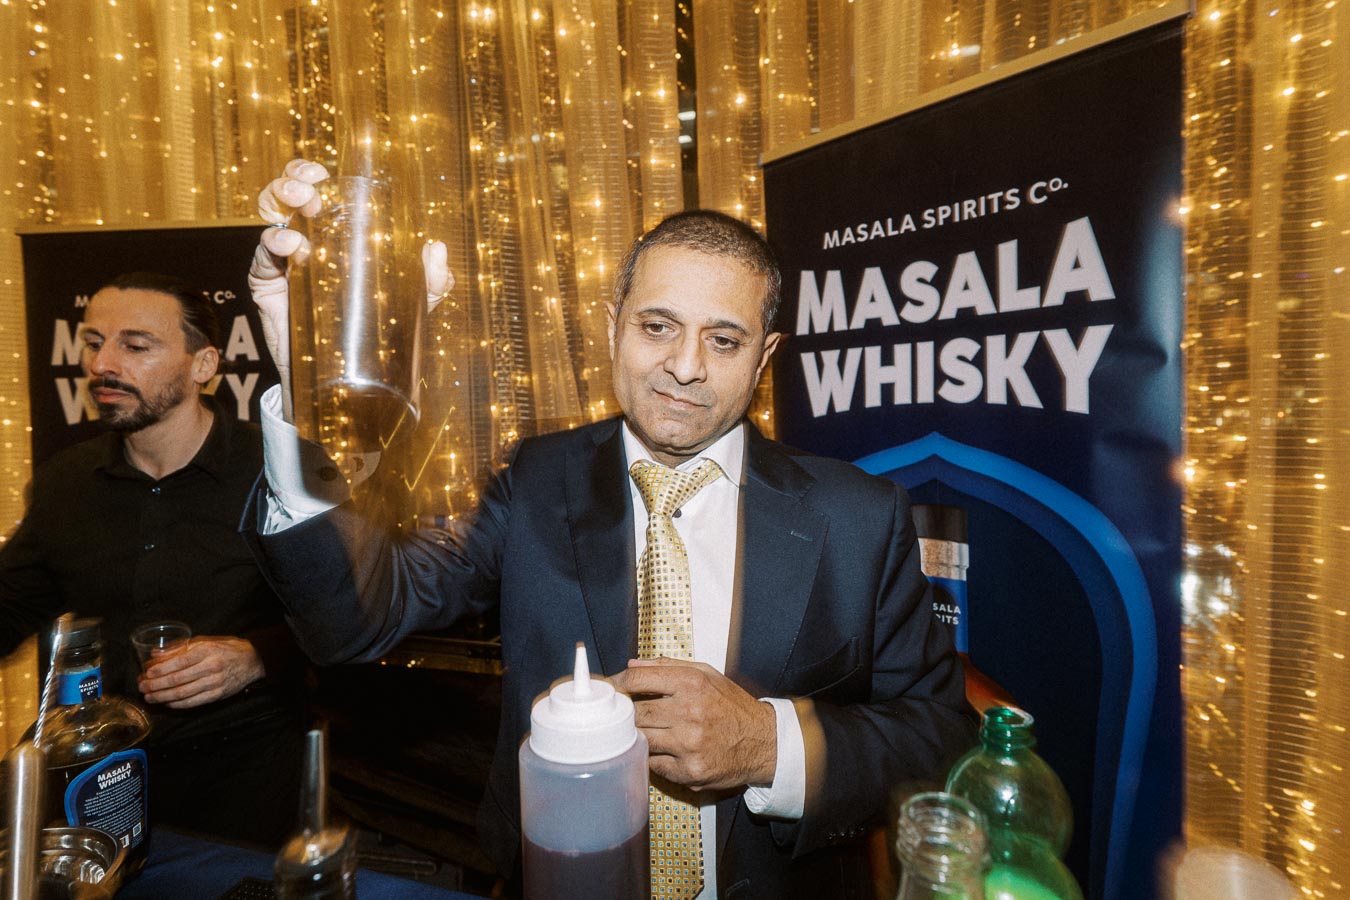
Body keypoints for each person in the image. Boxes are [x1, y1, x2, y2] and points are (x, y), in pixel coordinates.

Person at [244, 161, 976, 898]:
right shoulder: (529, 480)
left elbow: (942, 737)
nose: (684, 367)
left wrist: (767, 745)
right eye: (657, 327)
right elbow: (351, 623)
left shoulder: (858, 515)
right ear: (612, 324)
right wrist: (308, 388)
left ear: (766, 356)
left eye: (724, 341)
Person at [0, 271, 305, 847]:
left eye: (135, 346)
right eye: (93, 343)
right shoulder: (67, 481)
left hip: (239, 772)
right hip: (98, 774)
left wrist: (258, 655)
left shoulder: (279, 472)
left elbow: (351, 619)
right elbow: (11, 605)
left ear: (203, 365)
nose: (101, 365)